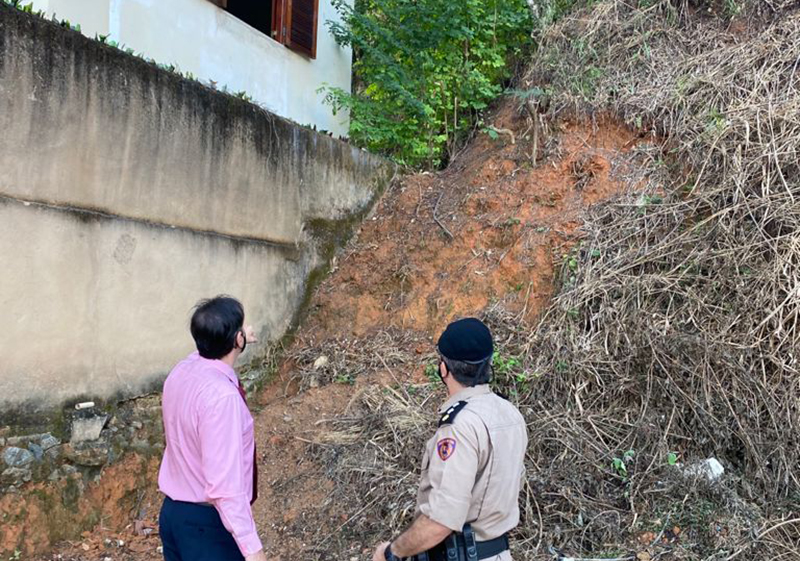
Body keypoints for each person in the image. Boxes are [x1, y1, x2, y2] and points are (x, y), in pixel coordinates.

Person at [372, 318, 528, 561]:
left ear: (443, 369)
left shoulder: (460, 425)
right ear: (488, 363)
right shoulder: (511, 414)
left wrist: (392, 553)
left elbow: (441, 521)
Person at [158, 295, 268, 561]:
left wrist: (240, 339)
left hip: (173, 517)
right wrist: (253, 550)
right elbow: (224, 486)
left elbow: (207, 353)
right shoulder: (222, 398)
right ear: (236, 340)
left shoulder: (182, 370)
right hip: (207, 528)